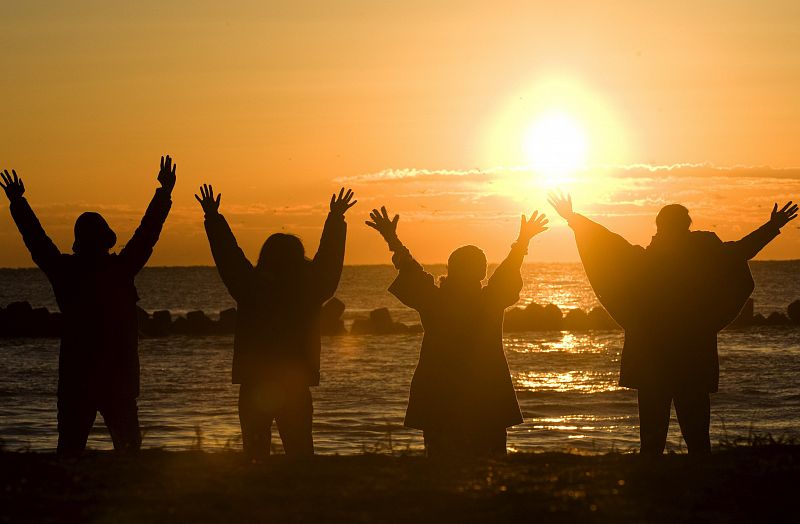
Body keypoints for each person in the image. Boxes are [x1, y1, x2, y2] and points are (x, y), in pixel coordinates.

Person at [548, 193, 798, 456]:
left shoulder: (645, 261)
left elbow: (606, 243)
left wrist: (574, 218)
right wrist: (772, 226)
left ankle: (655, 481)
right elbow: (742, 250)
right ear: (686, 226)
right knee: (697, 435)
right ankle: (696, 481)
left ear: (659, 228)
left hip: (653, 356)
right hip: (692, 353)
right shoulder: (703, 256)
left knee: (655, 437)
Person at [0, 157, 176, 456]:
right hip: (116, 378)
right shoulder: (120, 269)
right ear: (106, 241)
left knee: (70, 450)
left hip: (77, 378)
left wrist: (18, 202)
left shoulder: (66, 271)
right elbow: (147, 234)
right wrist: (163, 193)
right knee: (128, 452)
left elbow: (36, 239)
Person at [366, 206, 549, 458]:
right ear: (482, 272)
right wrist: (522, 242)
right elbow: (508, 272)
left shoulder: (434, 299)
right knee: (492, 459)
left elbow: (409, 269)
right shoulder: (490, 299)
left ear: (450, 269)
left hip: (439, 392)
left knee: (440, 462)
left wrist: (392, 238)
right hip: (487, 392)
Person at [195, 185, 355, 460]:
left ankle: (258, 495)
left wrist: (213, 218)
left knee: (255, 453)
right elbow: (329, 260)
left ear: (265, 258)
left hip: (255, 380)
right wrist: (335, 219)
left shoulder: (250, 285)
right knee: (300, 451)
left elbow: (228, 255)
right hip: (295, 381)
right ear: (299, 258)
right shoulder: (310, 288)